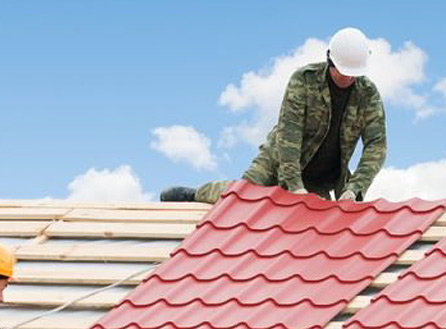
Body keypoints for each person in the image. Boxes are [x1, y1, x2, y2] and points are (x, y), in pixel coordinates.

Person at [161, 27, 386, 204]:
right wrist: (294, 185)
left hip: (323, 176)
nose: (348, 79)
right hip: (278, 159)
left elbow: (376, 146)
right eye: (343, 72)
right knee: (242, 198)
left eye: (353, 74)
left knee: (313, 223)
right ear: (330, 61)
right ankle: (196, 194)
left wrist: (355, 187)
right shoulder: (304, 80)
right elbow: (290, 133)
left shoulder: (368, 95)